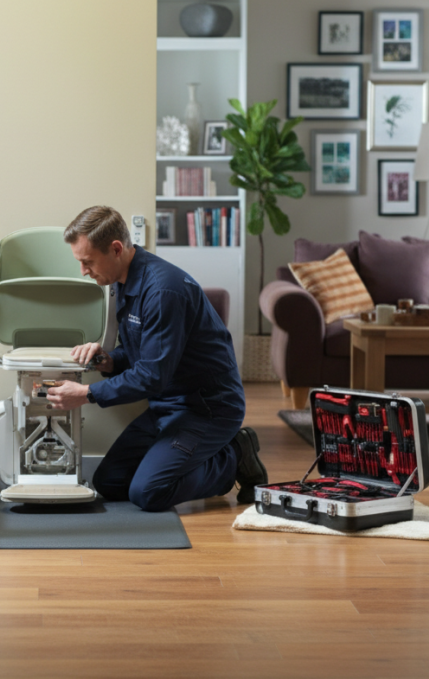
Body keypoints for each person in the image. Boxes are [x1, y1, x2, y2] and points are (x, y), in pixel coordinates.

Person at [45, 206, 267, 510]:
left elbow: (152, 375)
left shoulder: (163, 290)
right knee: (108, 482)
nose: (84, 271)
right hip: (167, 406)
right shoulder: (123, 283)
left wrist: (86, 394)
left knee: (149, 493)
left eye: (88, 262)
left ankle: (234, 457)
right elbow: (144, 353)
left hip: (207, 409)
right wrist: (109, 360)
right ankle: (190, 459)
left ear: (116, 249)